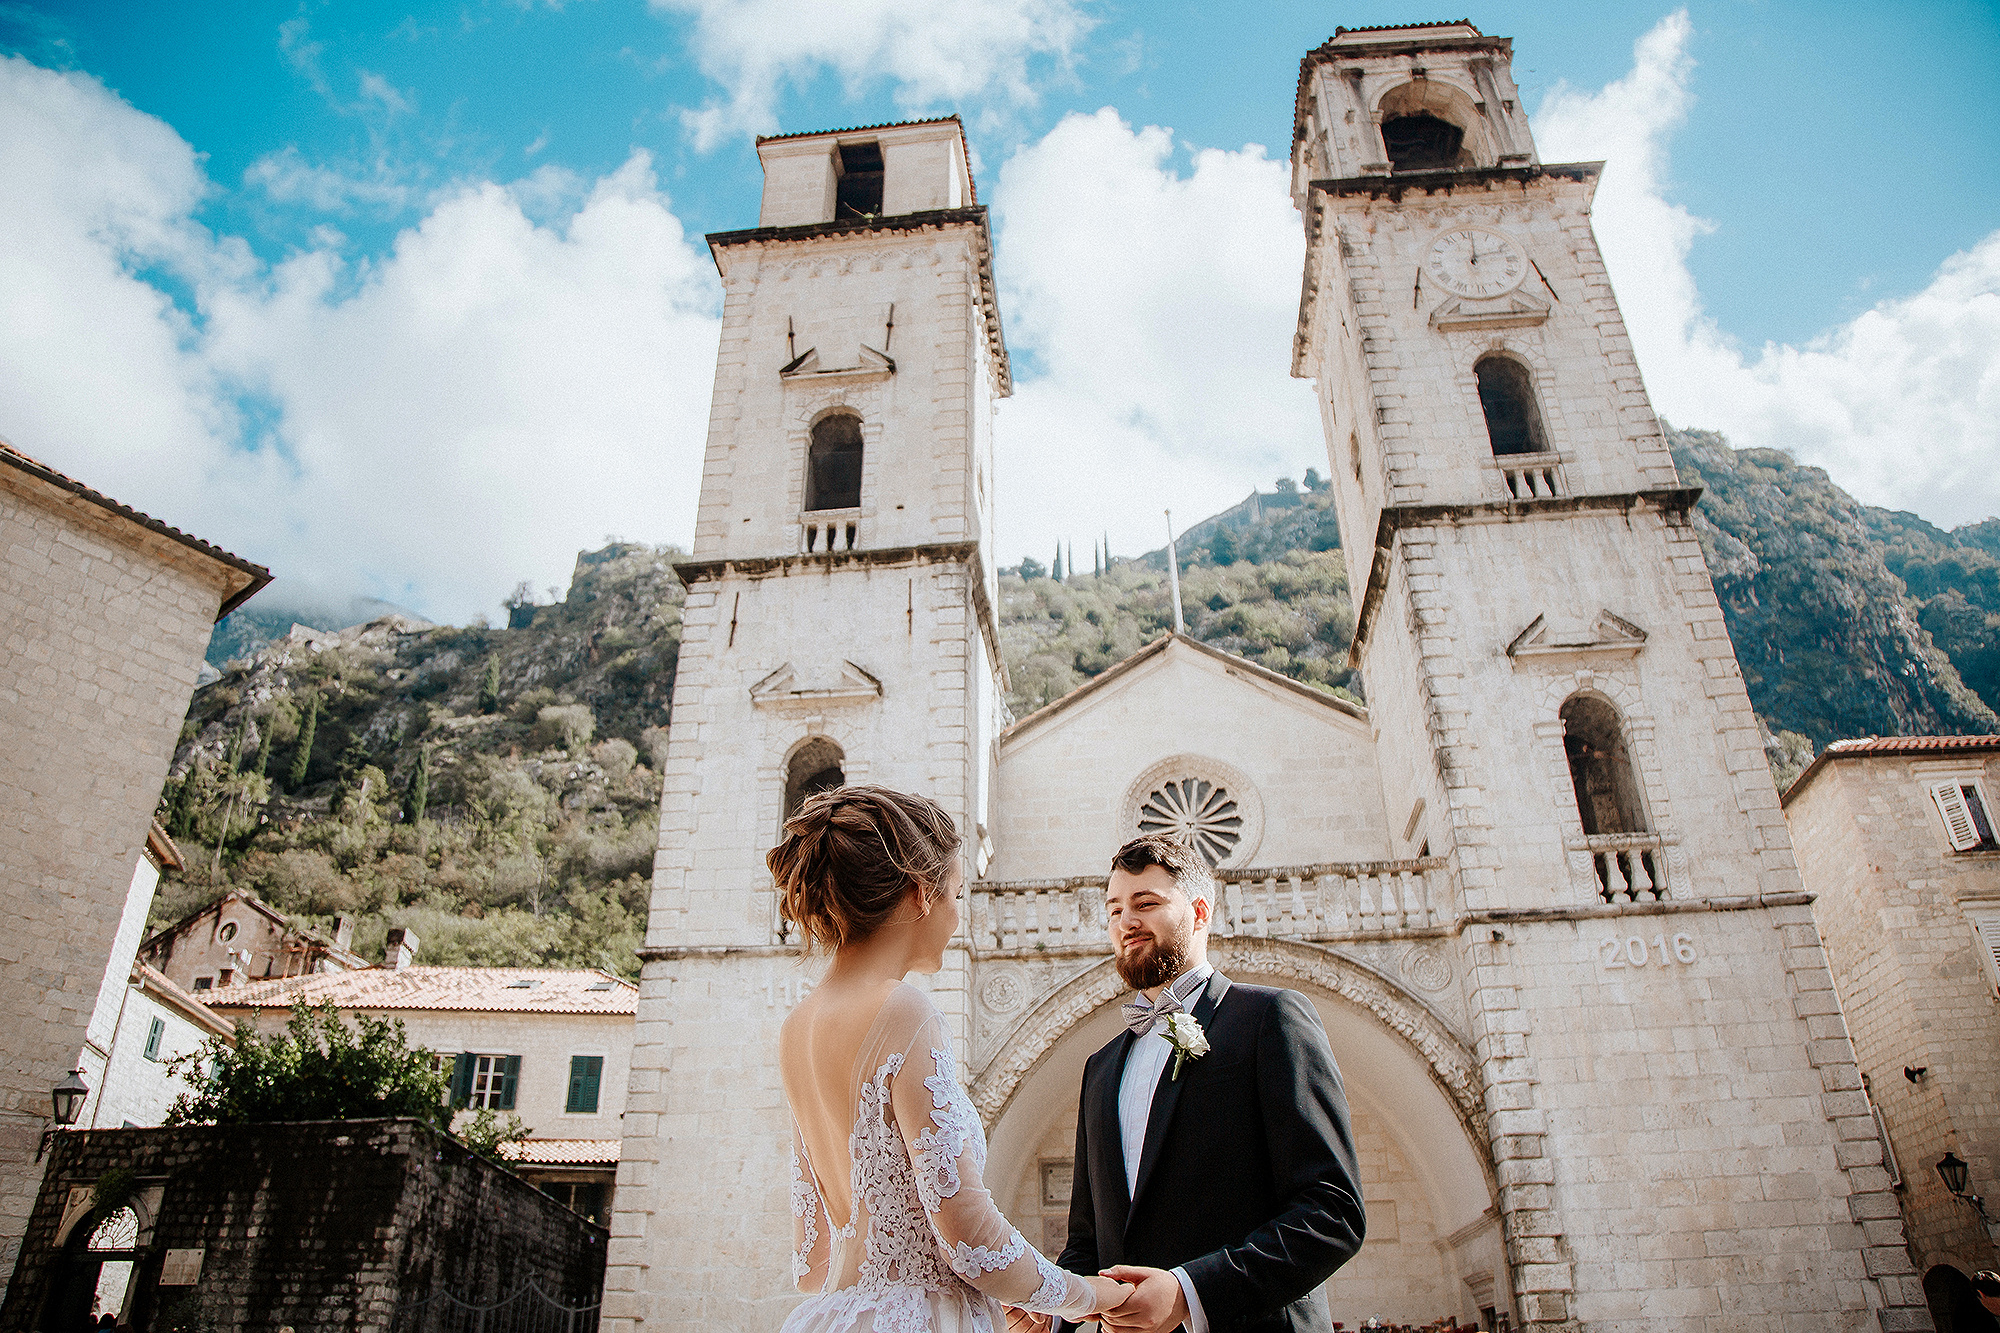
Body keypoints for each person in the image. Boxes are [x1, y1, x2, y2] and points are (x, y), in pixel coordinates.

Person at [772, 785, 1133, 1333]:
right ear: (922, 894)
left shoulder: (797, 1027)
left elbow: (812, 1258)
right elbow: (967, 1232)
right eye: (958, 895)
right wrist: (1089, 1294)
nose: (958, 917)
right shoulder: (904, 1011)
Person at [1054, 834, 1366, 1333]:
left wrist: (1189, 1292)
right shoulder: (1100, 1067)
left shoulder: (1270, 1019)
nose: (1125, 922)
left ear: (1200, 913)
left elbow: (1332, 1213)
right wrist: (1052, 1310)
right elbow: (1088, 1243)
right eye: (1114, 910)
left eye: (1146, 903)